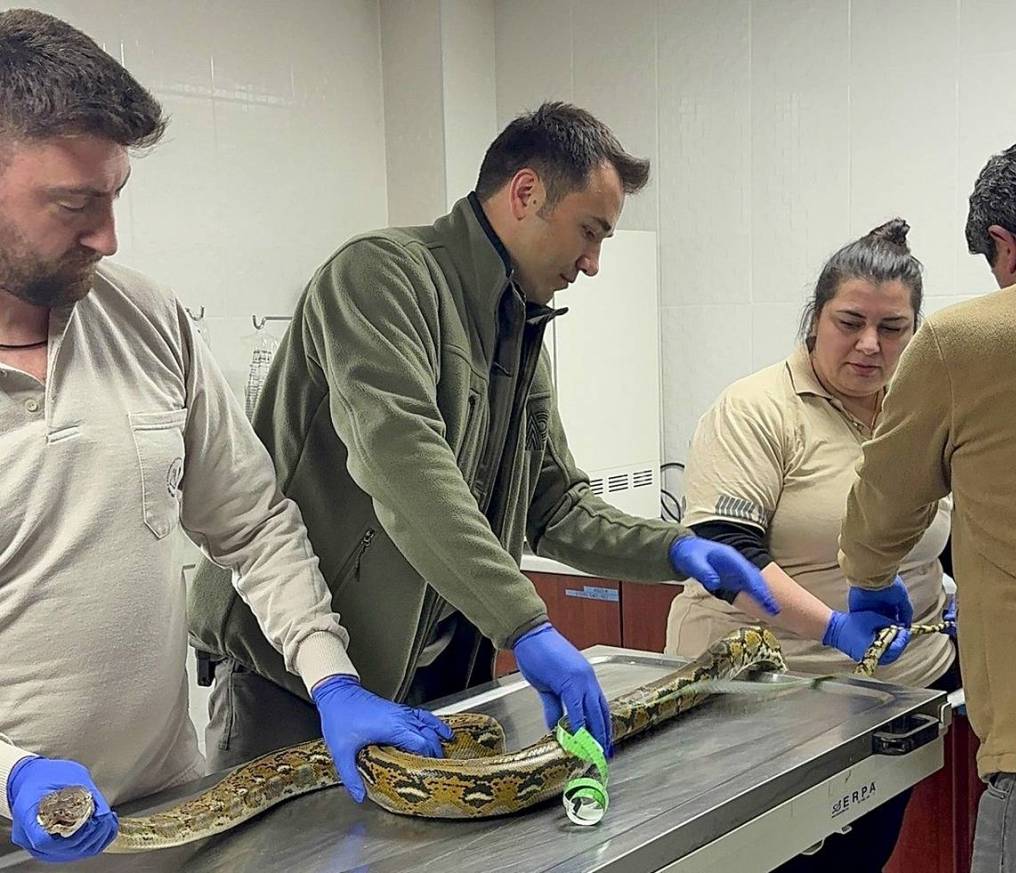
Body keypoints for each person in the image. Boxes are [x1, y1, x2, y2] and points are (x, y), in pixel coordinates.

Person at [187, 102, 782, 770]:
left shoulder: (519, 332)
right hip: (294, 683)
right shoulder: (380, 278)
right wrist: (525, 623)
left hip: (428, 685)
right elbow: (405, 469)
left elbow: (555, 506)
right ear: (525, 193)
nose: (592, 263)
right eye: (590, 232)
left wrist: (676, 548)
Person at [0, 9, 451, 864]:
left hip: (170, 812)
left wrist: (330, 675)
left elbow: (252, 523)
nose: (108, 236)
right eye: (74, 204)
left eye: (115, 196)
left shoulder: (146, 318)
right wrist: (13, 774)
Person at [665, 220, 957, 872]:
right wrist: (835, 628)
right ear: (815, 317)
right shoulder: (757, 409)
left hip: (891, 704)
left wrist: (954, 597)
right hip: (767, 708)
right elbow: (725, 554)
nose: (870, 344)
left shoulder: (917, 410)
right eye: (850, 321)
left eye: (892, 328)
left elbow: (941, 527)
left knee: (862, 859)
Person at [838, 130, 1016, 873]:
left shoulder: (966, 341)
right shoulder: (758, 407)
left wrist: (869, 578)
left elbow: (882, 511)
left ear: (1006, 245)